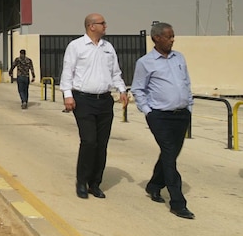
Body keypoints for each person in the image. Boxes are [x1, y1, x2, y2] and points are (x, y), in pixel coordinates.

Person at [60, 13, 129, 200]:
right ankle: (81, 182)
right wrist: (68, 95)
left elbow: (116, 72)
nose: (105, 26)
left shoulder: (108, 48)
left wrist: (122, 90)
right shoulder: (76, 46)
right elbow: (68, 72)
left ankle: (95, 183)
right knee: (89, 141)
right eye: (102, 23)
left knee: (101, 144)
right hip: (83, 100)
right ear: (91, 26)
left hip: (104, 101)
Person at [131, 22, 195, 219]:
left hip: (182, 115)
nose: (172, 39)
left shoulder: (179, 58)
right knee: (169, 154)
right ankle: (177, 202)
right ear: (156, 38)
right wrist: (148, 111)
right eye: (169, 36)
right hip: (160, 116)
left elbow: (186, 82)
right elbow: (138, 89)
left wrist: (189, 105)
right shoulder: (145, 62)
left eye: (173, 35)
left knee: (170, 154)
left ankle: (154, 185)